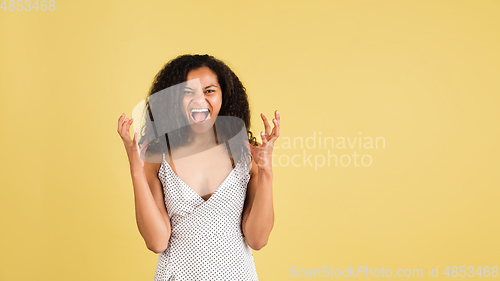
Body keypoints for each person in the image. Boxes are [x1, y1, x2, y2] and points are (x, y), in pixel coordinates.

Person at [117, 54, 280, 280]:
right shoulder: (157, 157)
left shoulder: (246, 154)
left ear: (225, 96)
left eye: (209, 90)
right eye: (187, 92)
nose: (200, 100)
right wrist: (136, 169)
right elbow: (157, 242)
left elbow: (257, 239)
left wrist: (266, 173)